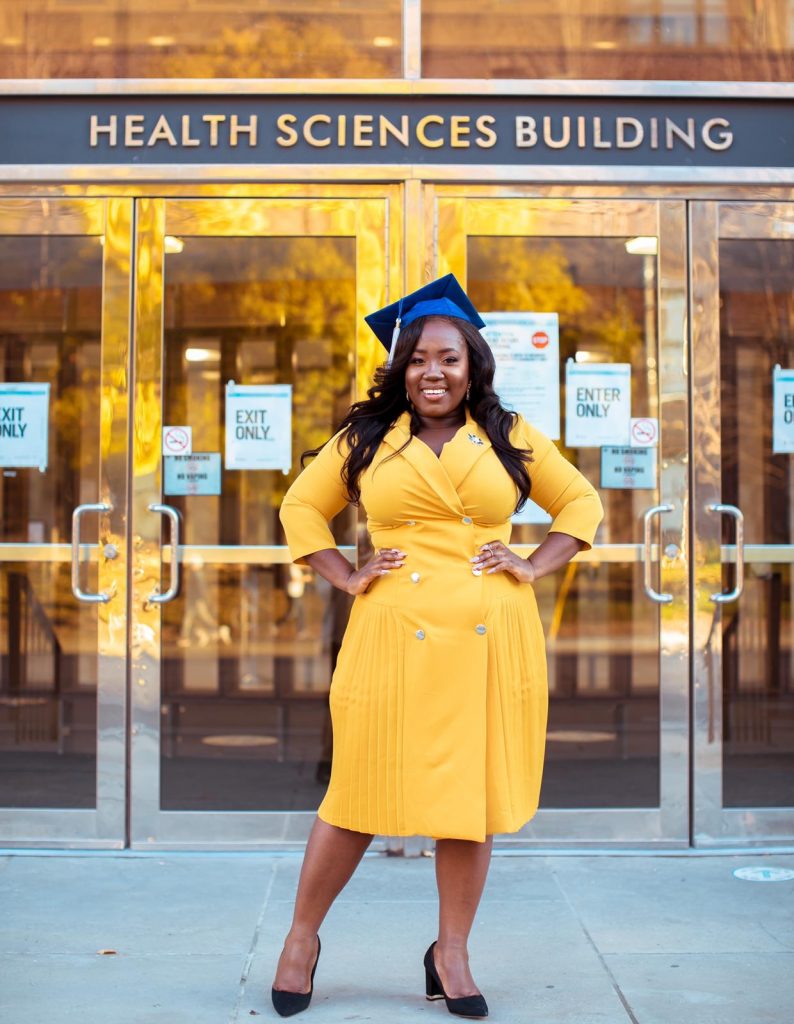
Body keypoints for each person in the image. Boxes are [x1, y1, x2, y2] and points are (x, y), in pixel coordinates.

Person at [271, 274, 604, 1018]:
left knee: (469, 803)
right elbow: (302, 505)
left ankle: (450, 951)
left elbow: (580, 500)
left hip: (488, 635)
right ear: (401, 368)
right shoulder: (365, 438)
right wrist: (345, 576)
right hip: (391, 633)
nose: (434, 372)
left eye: (449, 358)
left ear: (471, 365)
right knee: (356, 792)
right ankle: (301, 939)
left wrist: (533, 561)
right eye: (420, 358)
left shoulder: (509, 432)